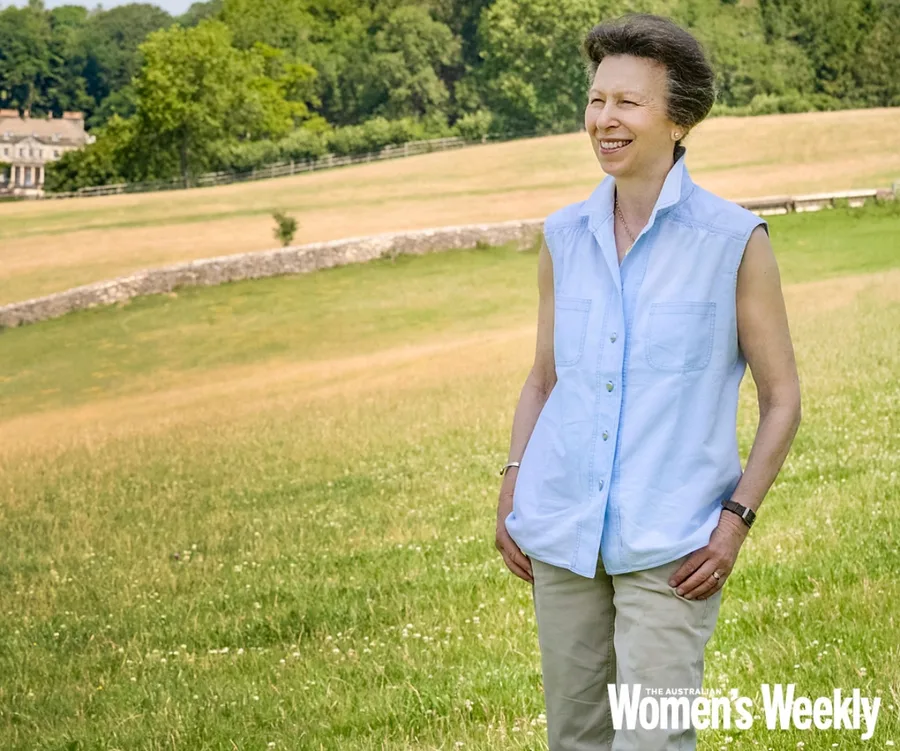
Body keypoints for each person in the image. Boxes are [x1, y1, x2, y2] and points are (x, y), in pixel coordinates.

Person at [494, 13, 802, 751]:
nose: (605, 119)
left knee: (652, 741)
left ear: (679, 118)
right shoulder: (562, 237)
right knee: (576, 738)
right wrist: (512, 484)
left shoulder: (734, 241)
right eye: (598, 100)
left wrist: (734, 524)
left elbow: (782, 397)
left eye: (627, 102)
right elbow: (544, 379)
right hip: (564, 535)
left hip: (674, 546)